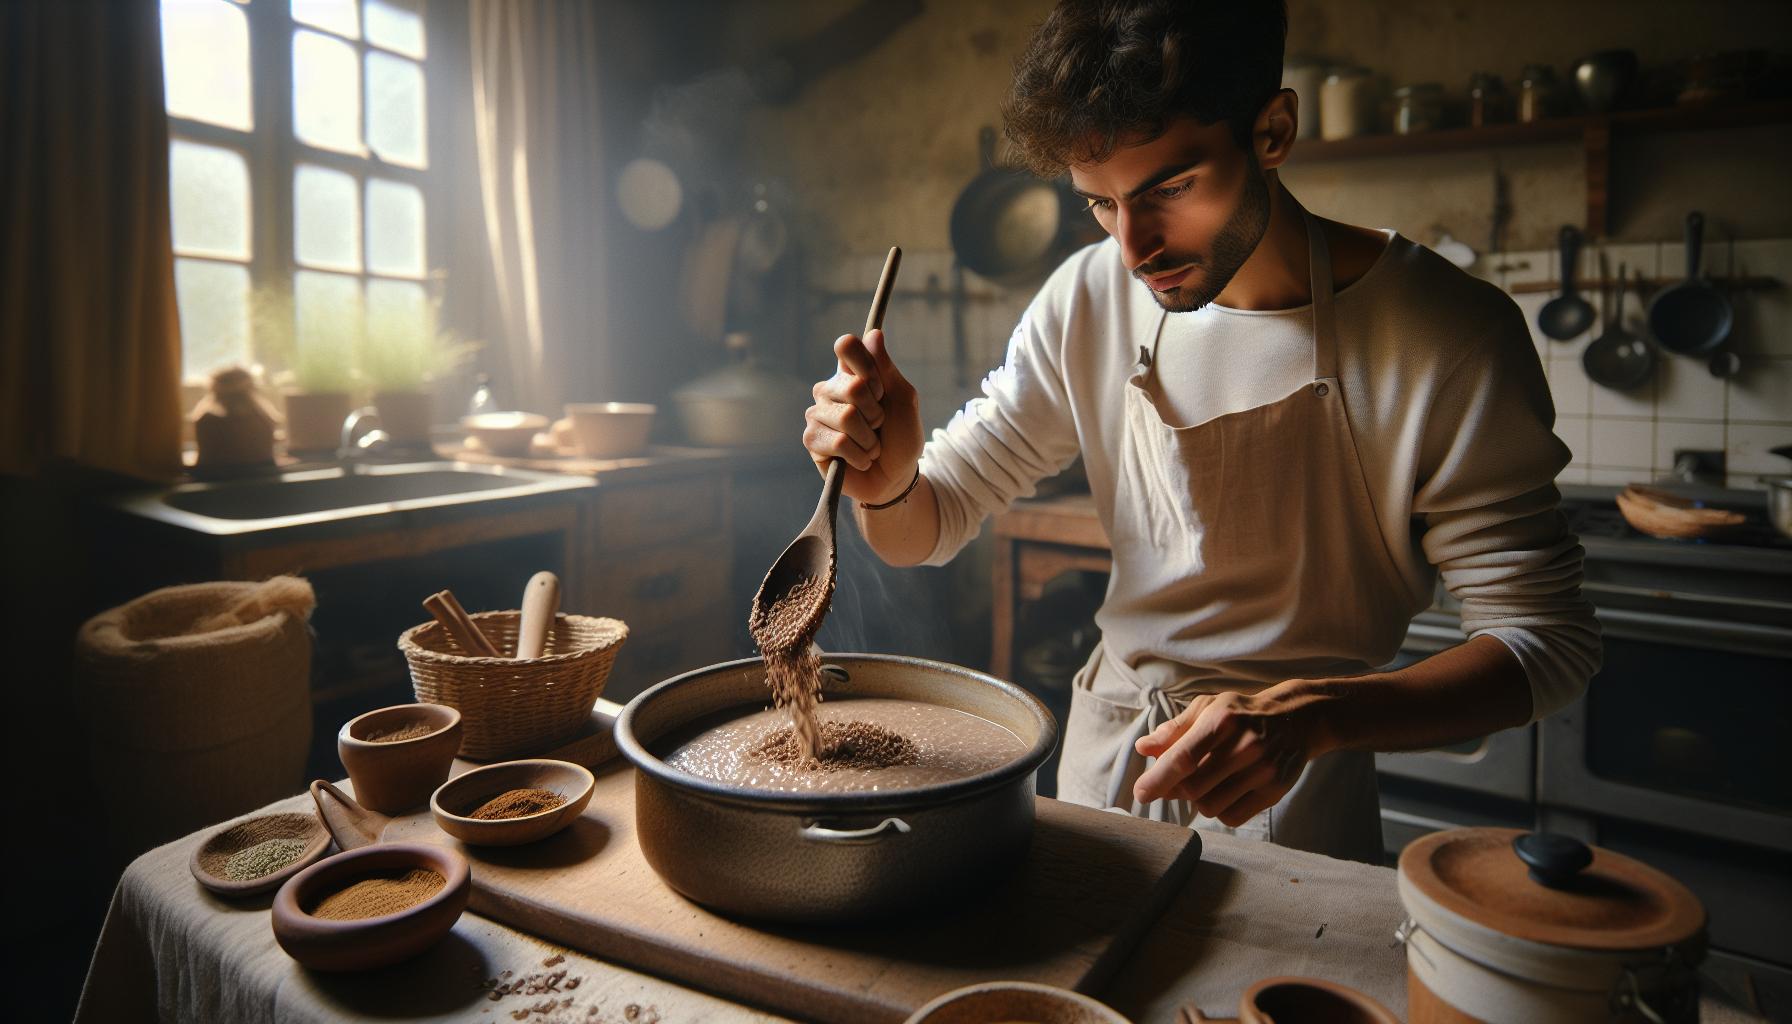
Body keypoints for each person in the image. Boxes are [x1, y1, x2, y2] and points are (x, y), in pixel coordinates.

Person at [799, 0, 1600, 863]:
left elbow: (1543, 641)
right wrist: (889, 478)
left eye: (1169, 189)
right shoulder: (1087, 296)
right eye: (1100, 204)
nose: (1135, 246)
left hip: (1295, 788)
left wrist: (1316, 718)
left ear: (1273, 131)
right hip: (1112, 761)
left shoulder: (1444, 333)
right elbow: (932, 523)